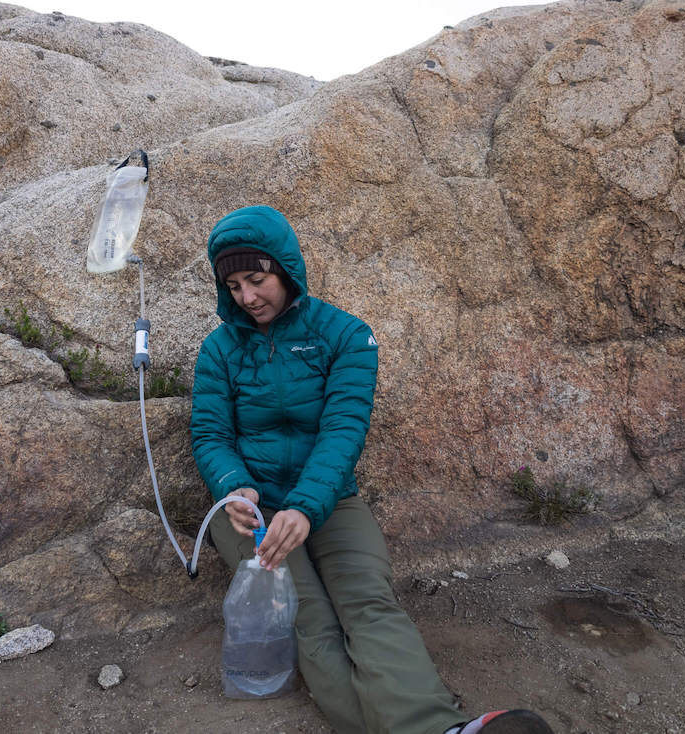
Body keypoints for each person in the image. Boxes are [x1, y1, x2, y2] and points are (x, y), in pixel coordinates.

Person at [190, 205, 555, 734]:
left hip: (330, 499)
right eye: (235, 285)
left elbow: (343, 432)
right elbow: (211, 434)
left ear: (285, 269)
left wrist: (307, 506)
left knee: (368, 603)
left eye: (257, 278)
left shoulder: (346, 336)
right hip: (251, 511)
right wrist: (233, 488)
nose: (248, 297)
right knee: (309, 618)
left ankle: (439, 728)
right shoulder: (219, 350)